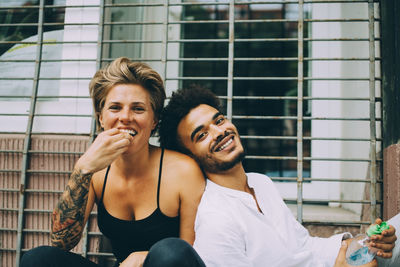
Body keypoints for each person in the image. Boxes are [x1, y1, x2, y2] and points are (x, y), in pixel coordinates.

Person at [158, 86, 399, 267]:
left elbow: (302, 248)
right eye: (201, 135)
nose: (220, 132)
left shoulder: (261, 183)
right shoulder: (216, 220)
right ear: (189, 157)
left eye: (219, 120)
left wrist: (357, 244)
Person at [20, 58, 206, 267]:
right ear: (101, 118)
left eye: (138, 109)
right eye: (115, 108)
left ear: (154, 120)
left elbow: (191, 253)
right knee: (38, 259)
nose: (125, 117)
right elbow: (61, 242)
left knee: (169, 252)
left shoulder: (183, 171)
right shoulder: (94, 169)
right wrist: (82, 170)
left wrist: (145, 257)